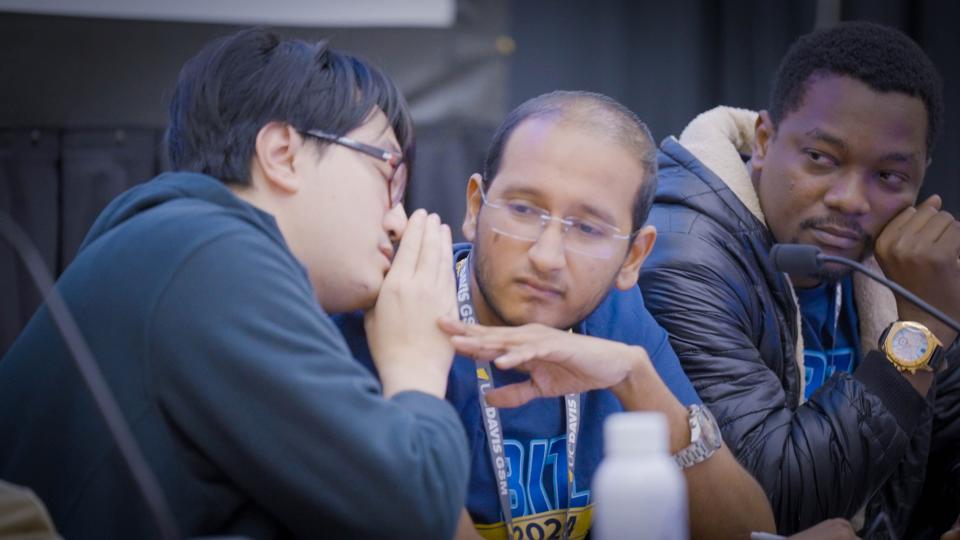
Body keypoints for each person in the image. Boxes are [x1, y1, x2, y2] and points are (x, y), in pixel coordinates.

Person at [0, 28, 471, 539]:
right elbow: (412, 514)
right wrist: (416, 361)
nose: (399, 220)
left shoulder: (177, 244)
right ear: (283, 154)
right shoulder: (209, 255)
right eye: (389, 172)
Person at [338, 91, 775, 540]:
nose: (547, 257)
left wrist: (636, 379)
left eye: (587, 228)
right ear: (475, 207)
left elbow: (750, 532)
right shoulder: (399, 313)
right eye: (523, 210)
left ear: (632, 257)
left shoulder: (616, 317)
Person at [637, 21, 960, 537]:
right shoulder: (683, 255)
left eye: (888, 176)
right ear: (764, 141)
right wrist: (918, 336)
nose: (850, 200)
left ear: (921, 177)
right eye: (821, 159)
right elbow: (773, 509)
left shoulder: (904, 263)